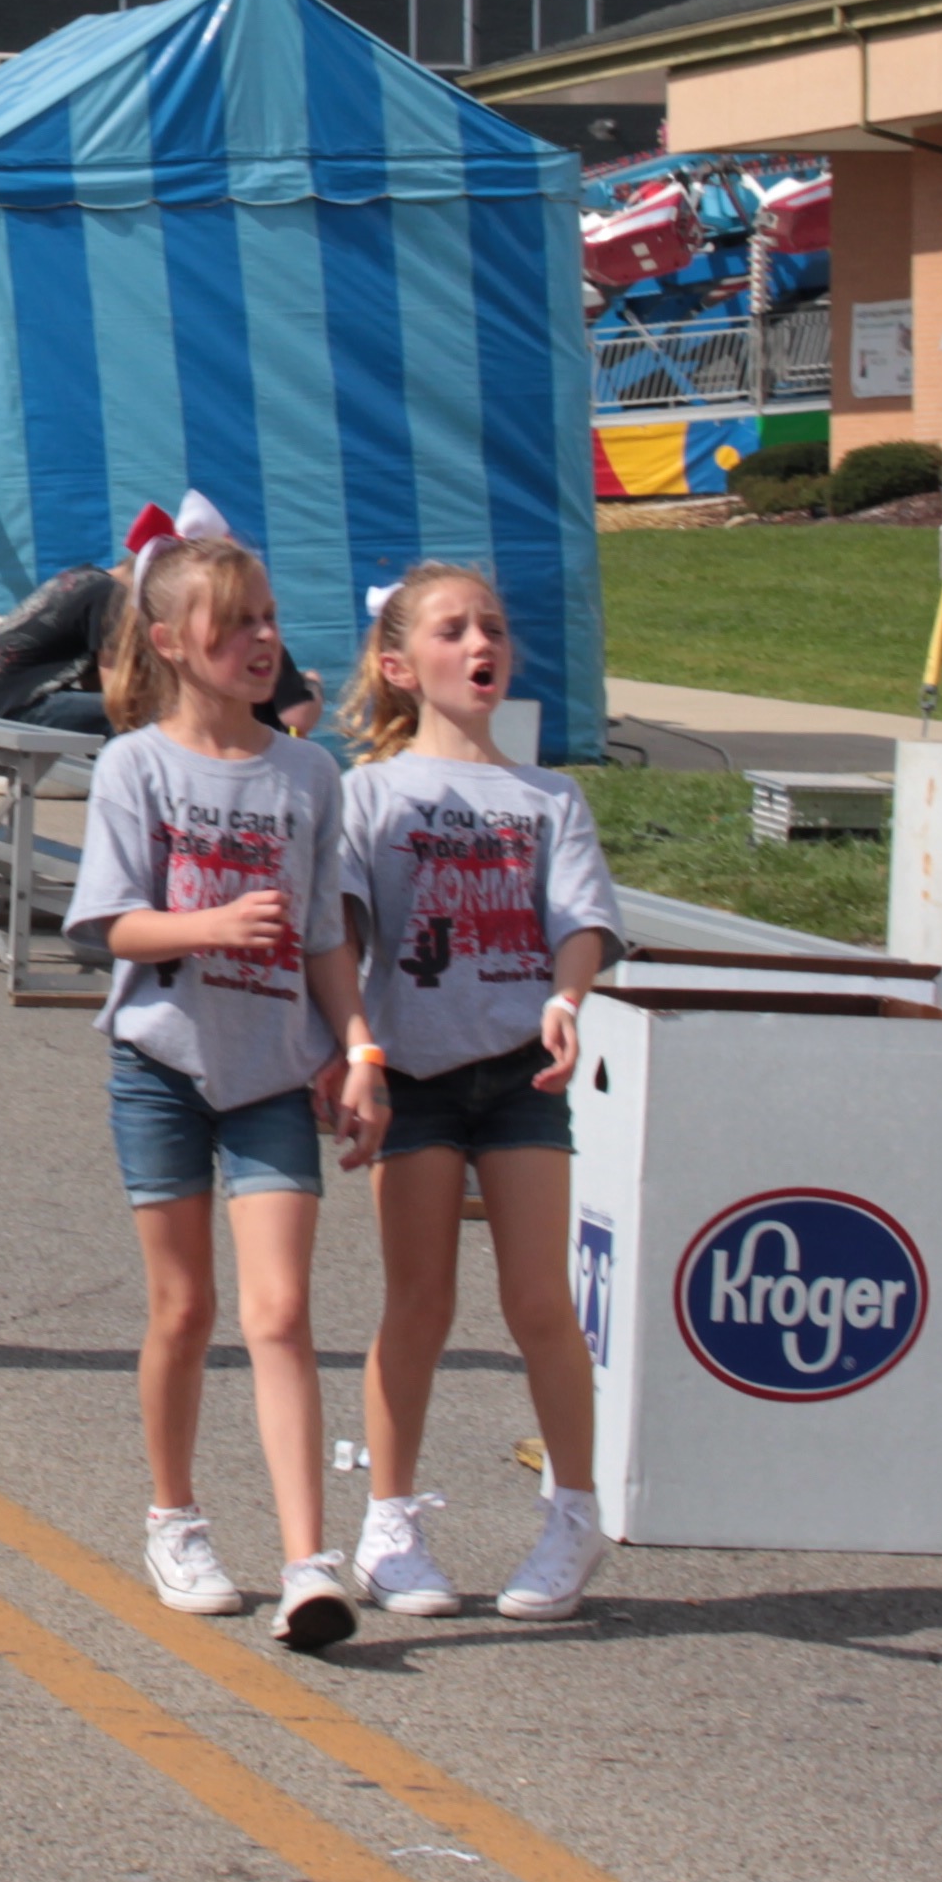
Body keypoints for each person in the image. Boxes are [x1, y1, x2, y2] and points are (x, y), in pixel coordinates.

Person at [63, 527, 362, 1654]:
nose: (262, 640)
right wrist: (211, 925)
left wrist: (359, 1050)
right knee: (184, 1309)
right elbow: (110, 925)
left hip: (275, 1069)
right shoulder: (135, 765)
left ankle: (307, 1563)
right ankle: (175, 1517)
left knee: (281, 1312)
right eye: (235, 623)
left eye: (269, 618)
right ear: (172, 643)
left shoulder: (309, 773)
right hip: (161, 1064)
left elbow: (327, 933)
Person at [330, 563, 622, 1626]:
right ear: (401, 666)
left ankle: (575, 1515)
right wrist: (354, 1050)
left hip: (518, 1076)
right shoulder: (367, 794)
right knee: (419, 1304)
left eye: (492, 626)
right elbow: (343, 932)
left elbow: (581, 922)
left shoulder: (550, 797)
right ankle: (390, 1524)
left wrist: (567, 995)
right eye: (453, 630)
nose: (480, 644)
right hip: (412, 1077)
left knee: (541, 1301)